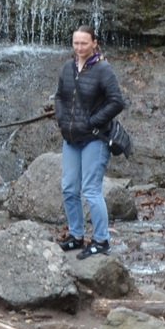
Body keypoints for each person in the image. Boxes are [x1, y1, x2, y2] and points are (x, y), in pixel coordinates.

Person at [54, 26, 126, 257]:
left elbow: (117, 102)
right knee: (68, 188)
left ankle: (101, 239)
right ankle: (76, 236)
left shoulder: (103, 69)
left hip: (95, 138)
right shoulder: (68, 67)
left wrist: (92, 122)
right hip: (72, 137)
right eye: (76, 43)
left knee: (91, 190)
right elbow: (60, 97)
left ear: (94, 43)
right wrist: (62, 120)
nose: (79, 47)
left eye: (84, 43)